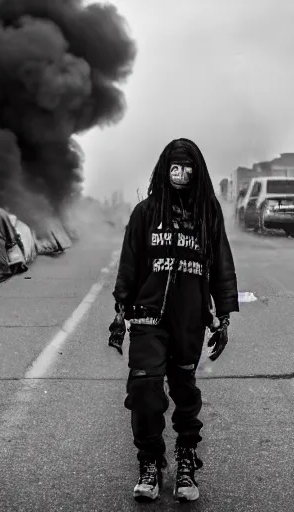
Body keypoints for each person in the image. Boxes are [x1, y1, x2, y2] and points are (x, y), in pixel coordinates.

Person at [110, 138, 239, 502]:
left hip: (189, 319)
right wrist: (121, 309)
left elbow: (222, 265)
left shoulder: (207, 212)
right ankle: (150, 462)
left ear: (198, 173)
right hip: (148, 316)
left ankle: (185, 460)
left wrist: (223, 314)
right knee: (143, 390)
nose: (181, 175)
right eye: (175, 168)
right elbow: (129, 262)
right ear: (164, 171)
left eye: (188, 169)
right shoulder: (146, 212)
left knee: (184, 390)